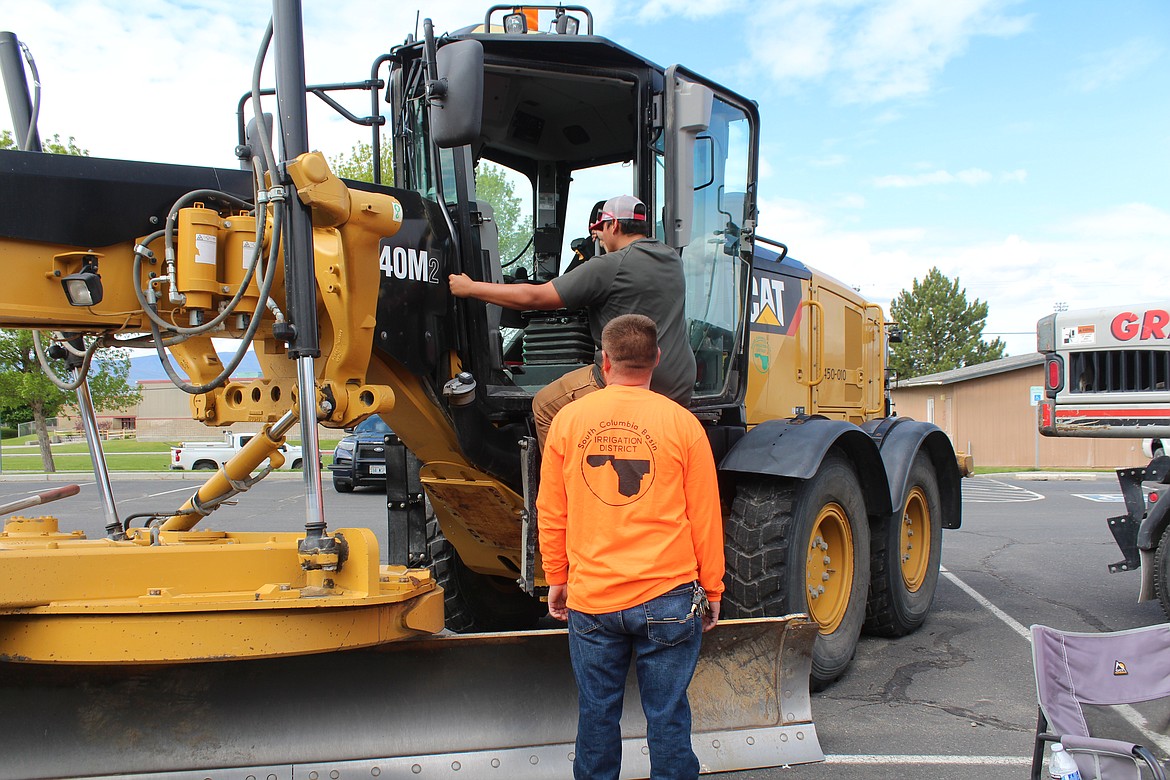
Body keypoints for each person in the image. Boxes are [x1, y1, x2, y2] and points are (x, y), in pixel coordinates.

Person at [537, 313, 723, 780]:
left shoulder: (568, 422)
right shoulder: (683, 425)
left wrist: (556, 577)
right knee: (668, 715)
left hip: (593, 599)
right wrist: (713, 589)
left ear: (604, 361)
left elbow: (551, 510)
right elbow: (705, 517)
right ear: (656, 359)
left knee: (597, 714)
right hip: (669, 597)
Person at [448, 194, 696, 449]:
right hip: (678, 381)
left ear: (614, 226)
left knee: (543, 407)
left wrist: (471, 288)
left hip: (628, 376)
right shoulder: (671, 259)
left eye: (600, 229)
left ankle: (558, 487)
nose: (597, 236)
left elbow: (535, 297)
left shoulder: (610, 265)